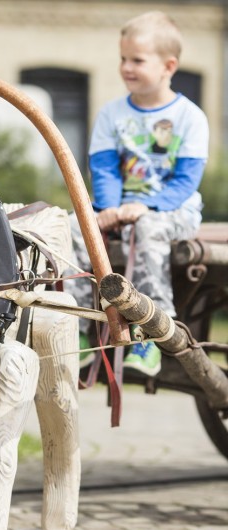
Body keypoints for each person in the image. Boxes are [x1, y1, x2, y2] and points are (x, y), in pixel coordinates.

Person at [71, 10, 209, 376]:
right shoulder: (112, 115)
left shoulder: (189, 117)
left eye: (137, 60)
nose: (126, 67)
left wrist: (143, 206)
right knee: (69, 227)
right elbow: (102, 168)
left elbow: (185, 181)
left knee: (147, 230)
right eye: (123, 58)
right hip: (120, 207)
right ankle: (79, 326)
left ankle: (152, 331)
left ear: (168, 66)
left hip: (171, 209)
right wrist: (110, 208)